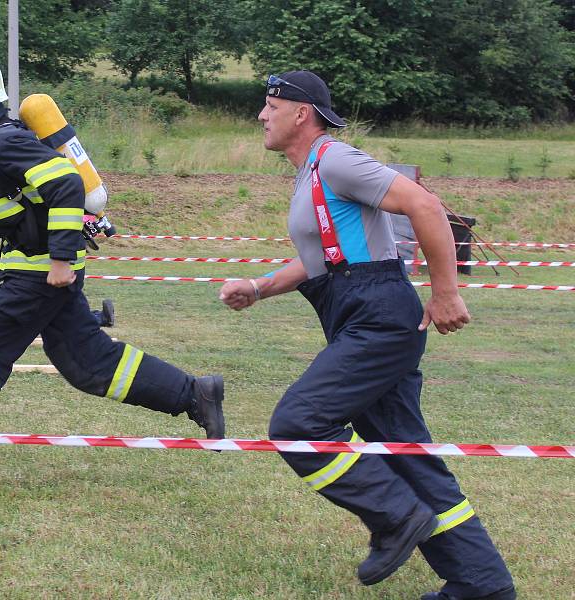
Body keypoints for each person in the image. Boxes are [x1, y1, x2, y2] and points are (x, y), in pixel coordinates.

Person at [219, 71, 515, 600]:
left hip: (378, 312)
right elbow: (324, 261)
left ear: (300, 113)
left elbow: (423, 206)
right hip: (358, 307)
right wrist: (259, 287)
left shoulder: (333, 158)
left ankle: (397, 518)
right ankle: (482, 584)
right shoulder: (311, 171)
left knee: (298, 424)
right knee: (405, 452)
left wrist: (445, 292)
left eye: (270, 105)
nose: (262, 116)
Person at [0, 48, 224, 494]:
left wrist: (59, 259)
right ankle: (196, 394)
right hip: (37, 267)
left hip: (41, 274)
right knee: (87, 362)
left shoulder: (1, 140)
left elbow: (67, 184)